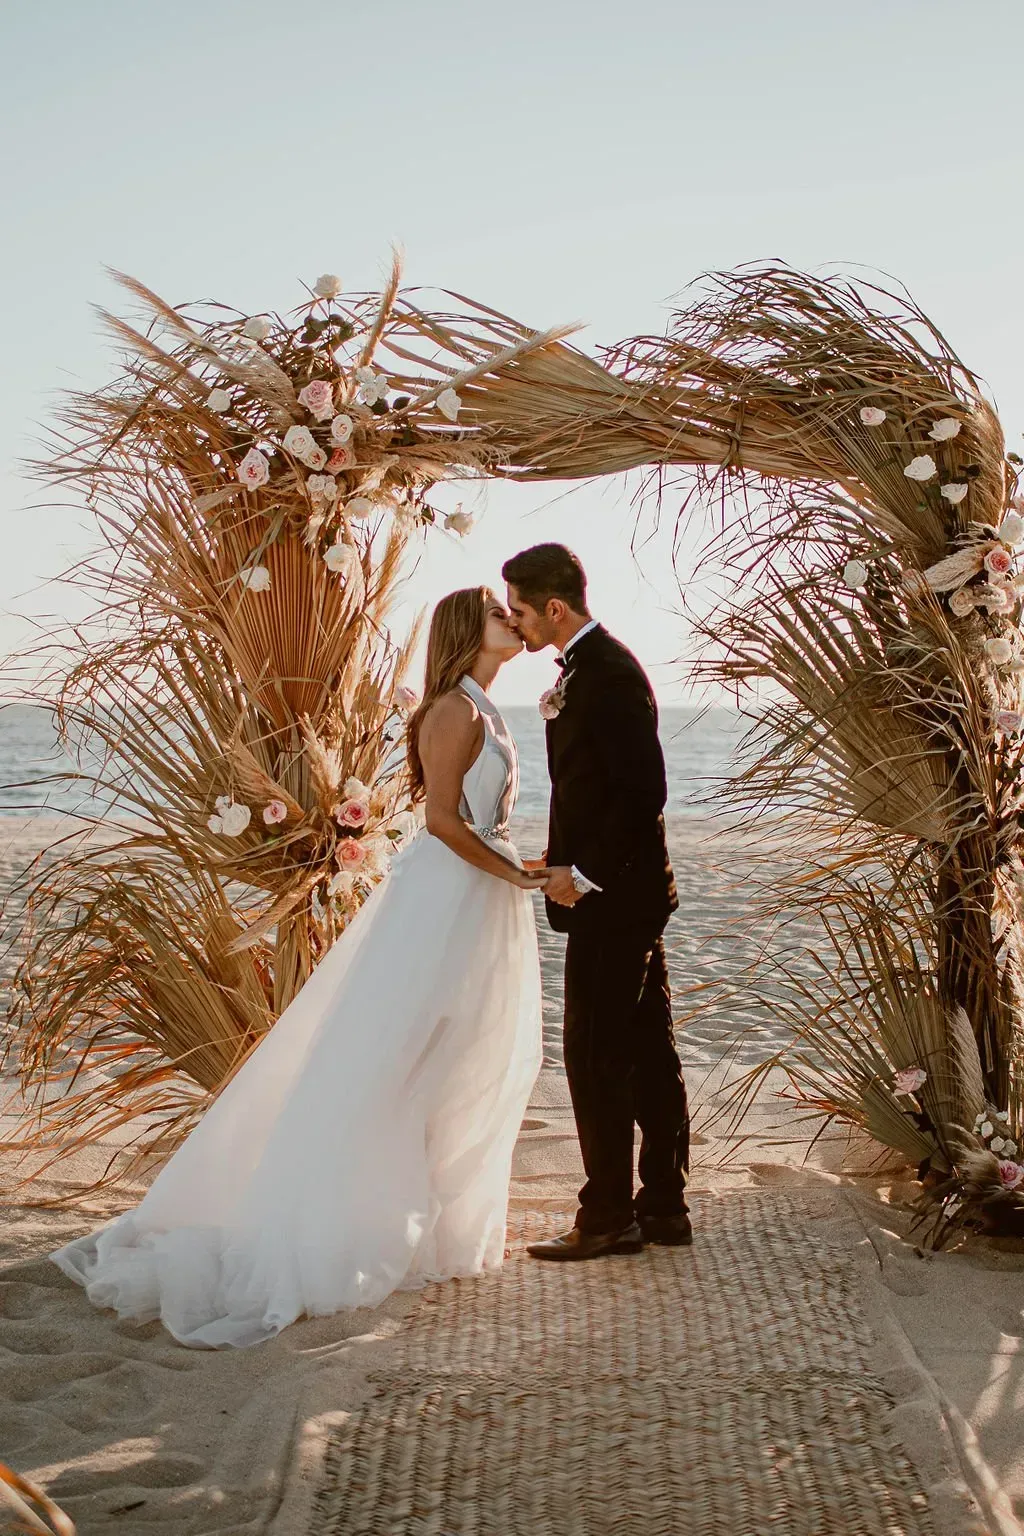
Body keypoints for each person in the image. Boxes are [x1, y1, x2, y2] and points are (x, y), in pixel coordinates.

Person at [51, 588, 546, 1347]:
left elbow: (481, 820)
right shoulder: (452, 710)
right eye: (496, 613)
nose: (512, 621)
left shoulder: (484, 705)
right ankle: (345, 1224)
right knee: (400, 1060)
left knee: (468, 1061)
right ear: (462, 630)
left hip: (479, 896)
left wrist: (520, 866)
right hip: (448, 900)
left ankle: (436, 1224)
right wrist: (514, 874)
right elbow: (442, 822)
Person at [503, 543, 692, 1260]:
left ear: (556, 607)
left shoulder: (608, 674)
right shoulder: (588, 669)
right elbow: (596, 791)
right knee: (647, 1049)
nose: (516, 624)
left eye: (521, 611)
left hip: (616, 898)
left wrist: (582, 874)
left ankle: (609, 1213)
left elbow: (645, 793)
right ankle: (665, 1205)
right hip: (631, 891)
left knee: (594, 1054)